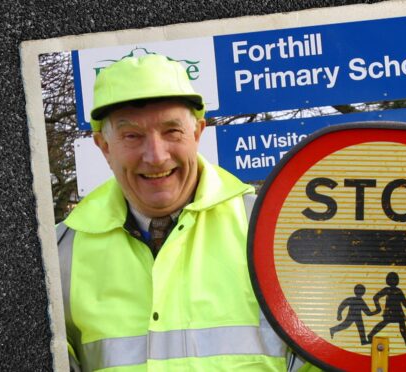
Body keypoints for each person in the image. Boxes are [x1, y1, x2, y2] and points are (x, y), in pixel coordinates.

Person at [56, 54, 314, 371]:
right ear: (104, 147)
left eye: (171, 131)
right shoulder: (60, 252)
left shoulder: (270, 228)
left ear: (197, 133)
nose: (156, 156)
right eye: (132, 135)